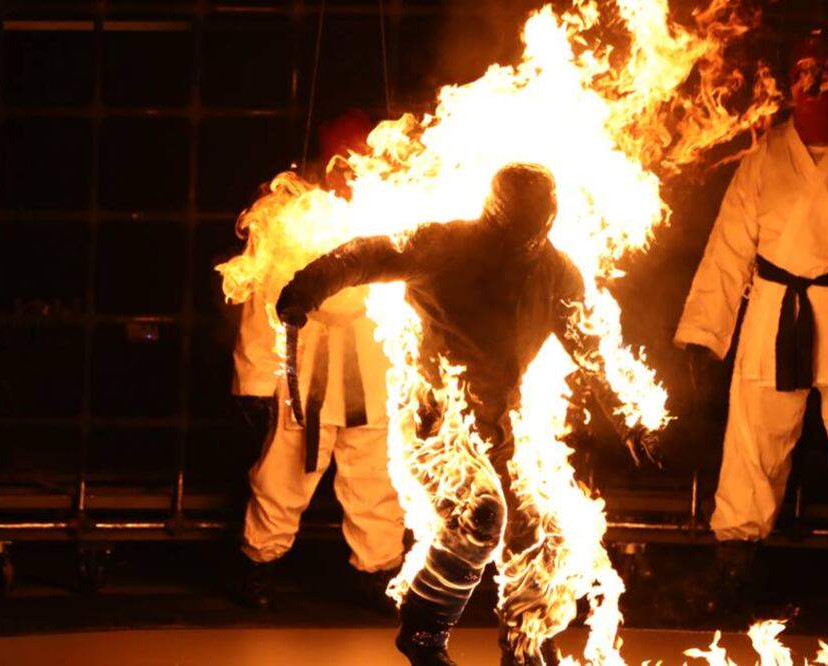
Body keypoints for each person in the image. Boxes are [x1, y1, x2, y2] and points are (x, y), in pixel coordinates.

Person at [276, 163, 658, 665]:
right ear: (493, 216)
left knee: (538, 527)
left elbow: (590, 346)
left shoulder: (555, 271)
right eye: (514, 231)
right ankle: (424, 632)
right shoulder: (442, 246)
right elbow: (365, 254)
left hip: (503, 424)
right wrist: (306, 288)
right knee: (480, 515)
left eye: (533, 232)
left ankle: (524, 646)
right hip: (436, 419)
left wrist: (629, 415)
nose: (522, 244)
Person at [674, 29, 828, 614]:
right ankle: (734, 565)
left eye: (822, 70)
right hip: (776, 310)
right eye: (803, 70)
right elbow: (728, 249)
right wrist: (704, 334)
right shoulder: (766, 154)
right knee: (753, 442)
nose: (813, 80)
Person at [233, 110, 405, 611]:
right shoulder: (291, 220)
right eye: (343, 157)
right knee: (281, 478)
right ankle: (258, 565)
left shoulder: (397, 217)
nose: (351, 169)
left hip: (376, 376)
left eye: (361, 157)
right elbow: (260, 301)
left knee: (375, 480)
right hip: (304, 376)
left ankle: (378, 573)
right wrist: (254, 381)